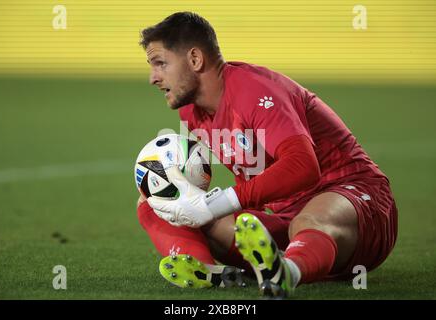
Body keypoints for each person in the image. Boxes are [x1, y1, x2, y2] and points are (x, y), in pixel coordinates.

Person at [136, 12, 398, 298]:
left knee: (305, 221)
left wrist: (215, 203)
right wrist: (192, 202)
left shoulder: (255, 91)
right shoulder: (191, 110)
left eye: (160, 63)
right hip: (287, 222)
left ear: (195, 59)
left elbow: (302, 167)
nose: (153, 78)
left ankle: (288, 273)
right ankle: (215, 274)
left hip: (356, 205)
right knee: (157, 197)